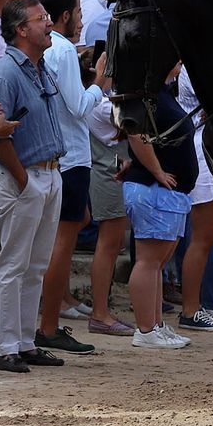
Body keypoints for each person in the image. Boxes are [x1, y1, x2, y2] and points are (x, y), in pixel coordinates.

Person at [31, 0, 106, 357]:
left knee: (67, 233)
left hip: (60, 154)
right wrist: (100, 82)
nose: (81, 18)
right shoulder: (61, 49)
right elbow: (79, 107)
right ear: (66, 15)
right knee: (61, 244)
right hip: (71, 156)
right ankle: (48, 324)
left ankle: (46, 319)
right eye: (78, 11)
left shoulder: (51, 48)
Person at [0, 0, 66, 372]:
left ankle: (23, 342)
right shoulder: (6, 71)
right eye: (42, 19)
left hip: (48, 173)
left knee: (35, 264)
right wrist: (24, 180)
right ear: (21, 29)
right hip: (23, 175)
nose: (50, 23)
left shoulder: (39, 69)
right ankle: (4, 344)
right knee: (13, 263)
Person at [122, 65, 197, 348]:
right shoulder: (147, 93)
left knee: (158, 262)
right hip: (153, 189)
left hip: (168, 191)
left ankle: (155, 324)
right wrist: (156, 171)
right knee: (149, 260)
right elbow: (135, 132)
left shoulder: (163, 91)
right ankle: (145, 329)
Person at [174, 66, 213, 330]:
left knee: (207, 237)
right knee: (203, 236)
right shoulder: (192, 68)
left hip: (210, 148)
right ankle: (190, 308)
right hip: (201, 150)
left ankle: (195, 305)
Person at [84, 87, 133, 336]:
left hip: (111, 170)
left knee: (112, 245)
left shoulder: (104, 101)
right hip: (108, 172)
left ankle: (102, 311)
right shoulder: (102, 104)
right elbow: (134, 127)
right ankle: (100, 313)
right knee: (108, 244)